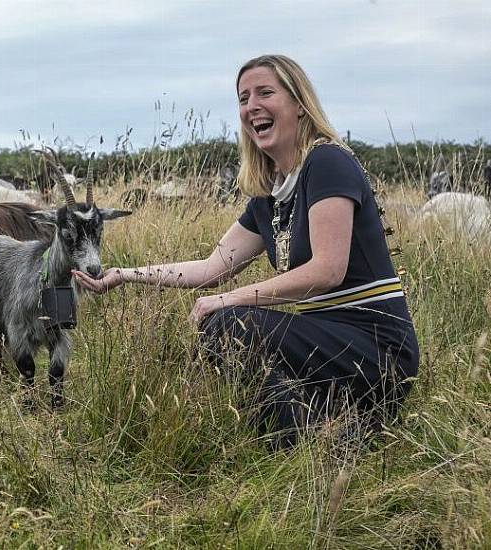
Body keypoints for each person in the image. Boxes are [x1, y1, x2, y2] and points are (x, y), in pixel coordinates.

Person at [75, 55, 418, 449]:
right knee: (224, 327)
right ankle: (327, 433)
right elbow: (209, 269)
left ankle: (306, 442)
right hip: (331, 347)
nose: (251, 106)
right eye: (242, 98)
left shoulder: (327, 163)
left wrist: (227, 300)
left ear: (299, 104)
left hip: (376, 348)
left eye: (265, 92)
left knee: (229, 324)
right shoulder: (269, 196)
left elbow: (327, 270)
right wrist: (124, 274)